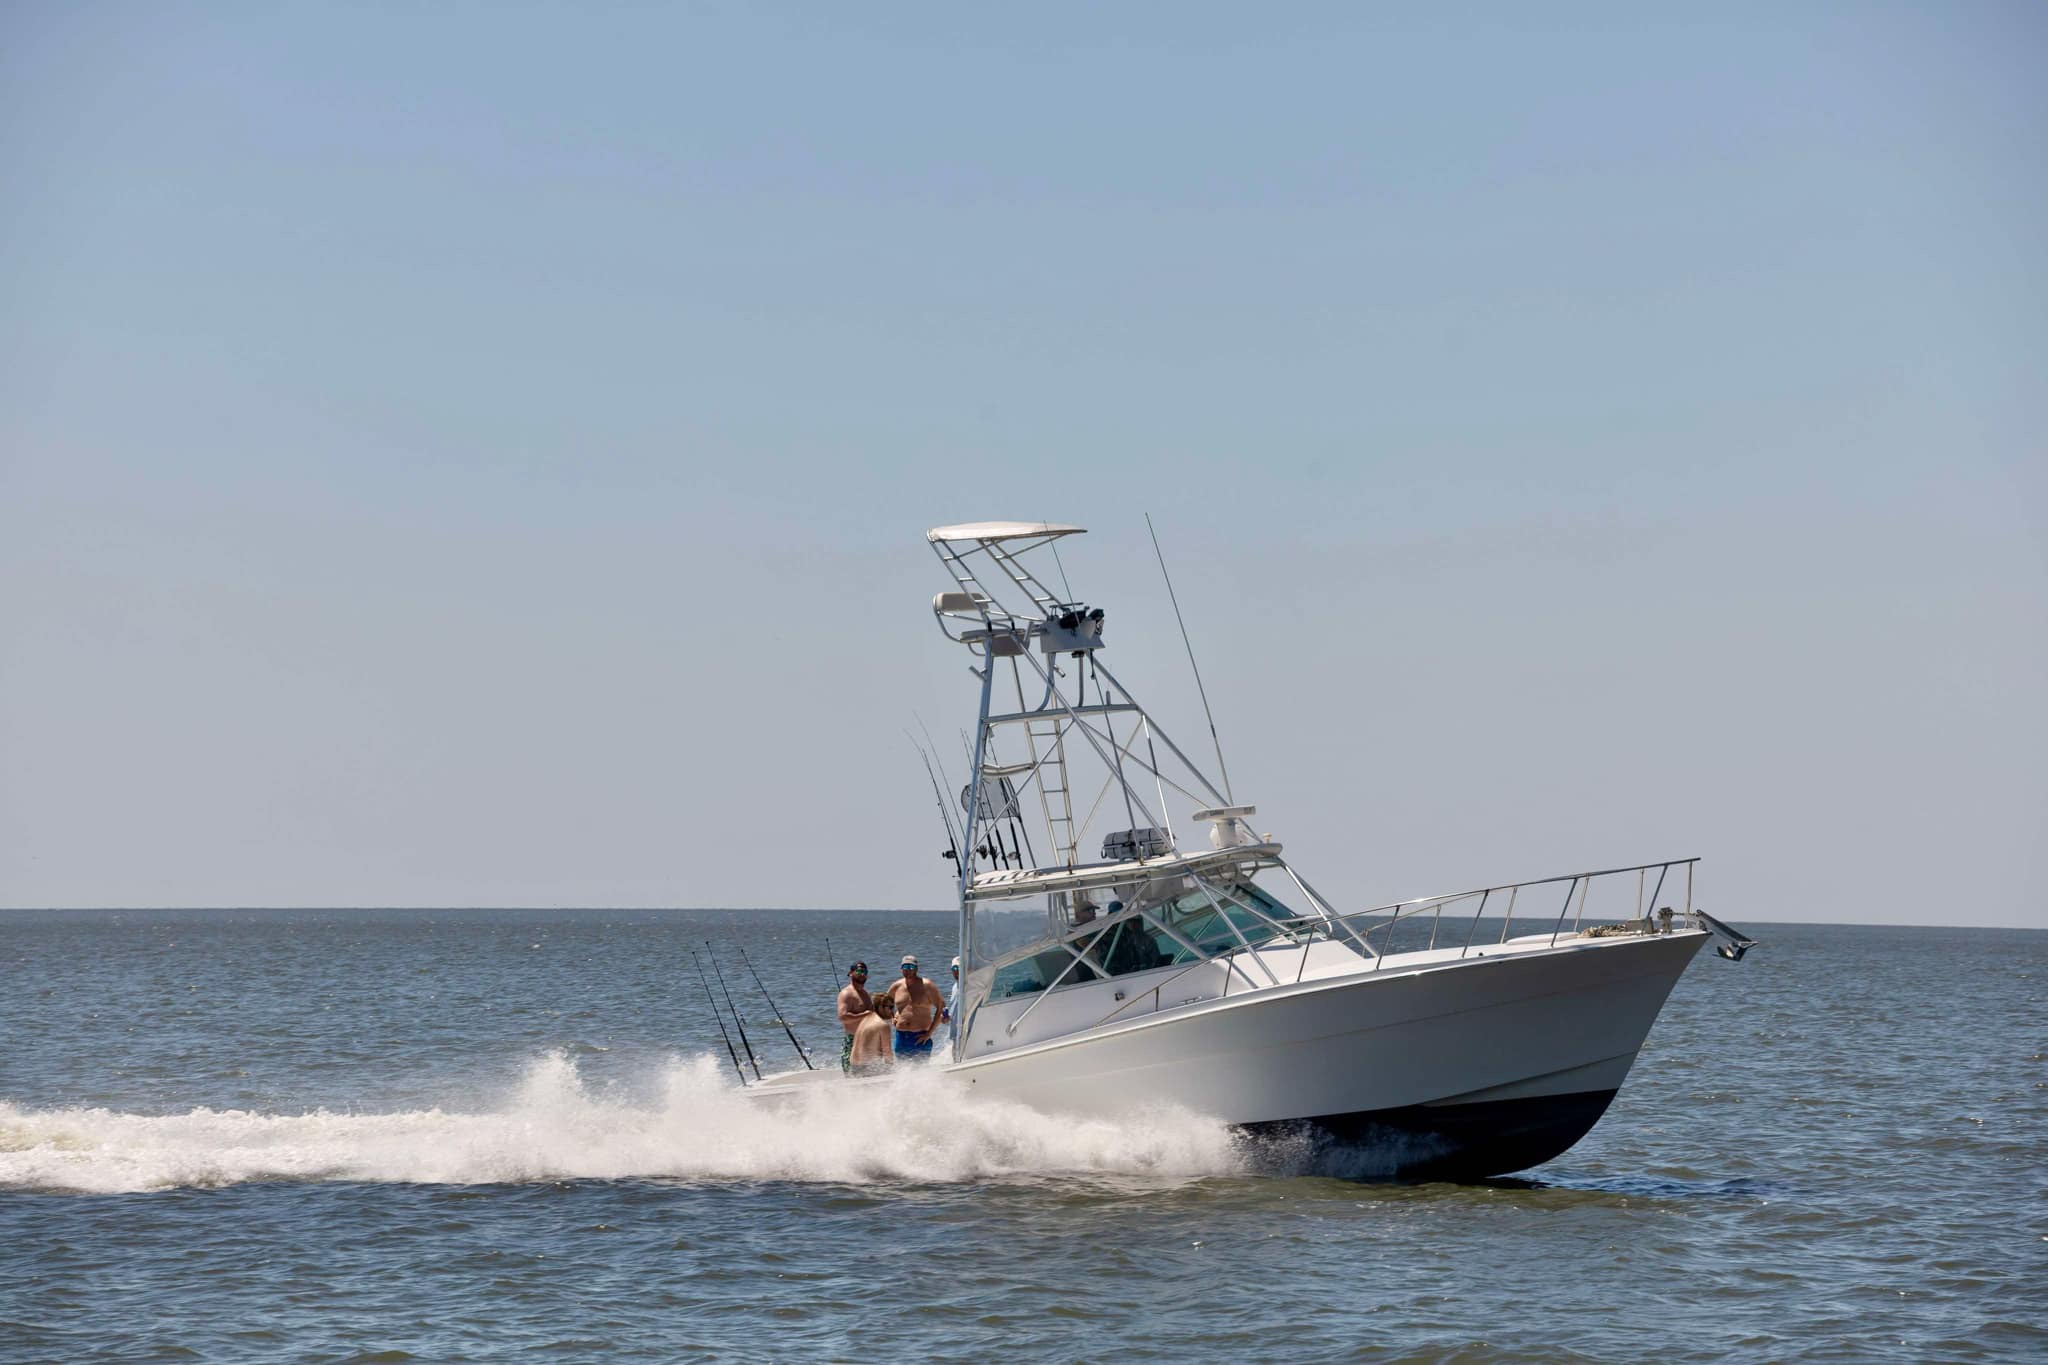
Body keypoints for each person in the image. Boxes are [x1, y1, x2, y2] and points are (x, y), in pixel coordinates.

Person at [885, 954, 948, 1059]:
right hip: (901, 1036)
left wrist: (929, 1033)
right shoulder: (896, 986)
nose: (908, 970)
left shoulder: (927, 985)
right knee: (902, 1070)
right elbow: (885, 1003)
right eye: (905, 967)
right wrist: (892, 1016)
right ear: (901, 969)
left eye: (911, 967)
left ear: (916, 968)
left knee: (921, 1070)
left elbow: (941, 1006)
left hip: (920, 1037)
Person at [835, 962, 873, 1074]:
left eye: (865, 972)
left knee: (869, 1078)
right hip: (852, 1042)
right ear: (851, 973)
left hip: (867, 1041)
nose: (862, 974)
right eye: (859, 971)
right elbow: (843, 1017)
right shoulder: (846, 994)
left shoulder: (865, 994)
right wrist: (864, 1015)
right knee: (852, 1078)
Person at [849, 993, 895, 1077]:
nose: (892, 1011)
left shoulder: (864, 1020)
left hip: (854, 1066)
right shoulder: (883, 1025)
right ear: (881, 1007)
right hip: (869, 1069)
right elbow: (888, 1054)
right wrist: (893, 1071)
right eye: (890, 1007)